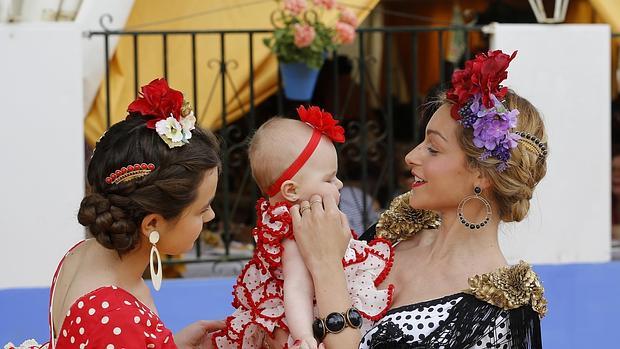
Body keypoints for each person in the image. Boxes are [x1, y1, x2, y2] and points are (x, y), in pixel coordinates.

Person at [290, 50, 548, 348]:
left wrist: (325, 268)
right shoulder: (391, 236)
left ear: (482, 175)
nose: (410, 157)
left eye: (434, 149)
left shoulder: (495, 314)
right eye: (421, 141)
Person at [43, 78, 224, 348]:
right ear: (152, 223)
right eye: (202, 209)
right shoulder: (114, 317)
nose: (210, 216)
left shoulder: (81, 254)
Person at [212, 106, 394, 349]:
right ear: (291, 190)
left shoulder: (302, 219)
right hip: (312, 321)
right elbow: (296, 286)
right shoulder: (294, 232)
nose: (339, 184)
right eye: (329, 179)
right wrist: (303, 336)